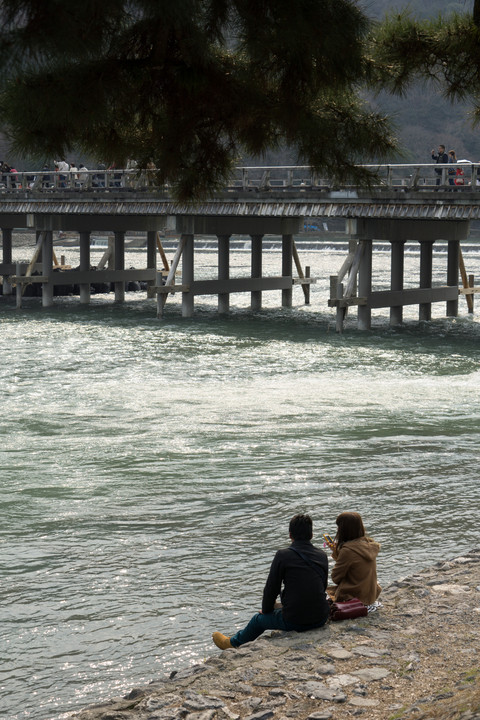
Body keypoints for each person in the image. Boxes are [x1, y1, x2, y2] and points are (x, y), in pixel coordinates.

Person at [212, 513, 330, 650]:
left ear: (290, 535)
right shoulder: (322, 555)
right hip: (321, 617)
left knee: (258, 620)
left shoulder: (283, 555)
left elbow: (271, 588)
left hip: (295, 620)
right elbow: (323, 586)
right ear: (311, 535)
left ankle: (232, 643)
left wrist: (266, 610)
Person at [330, 511, 381, 606]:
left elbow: (335, 578)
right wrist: (338, 553)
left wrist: (338, 554)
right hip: (370, 596)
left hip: (355, 598)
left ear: (343, 530)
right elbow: (354, 566)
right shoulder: (369, 545)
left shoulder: (347, 551)